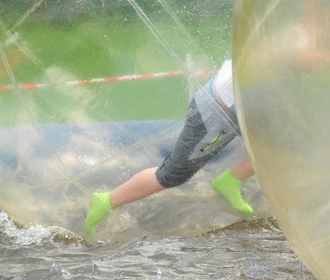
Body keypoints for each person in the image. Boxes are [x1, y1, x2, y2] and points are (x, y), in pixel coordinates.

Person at [84, 59, 254, 238]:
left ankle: (231, 179)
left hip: (245, 110)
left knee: (278, 148)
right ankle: (106, 201)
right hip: (215, 111)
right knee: (173, 174)